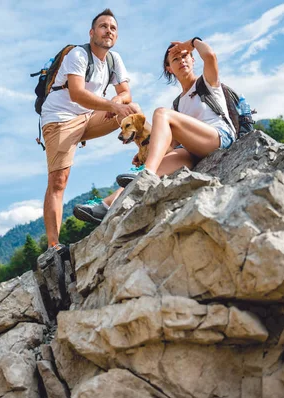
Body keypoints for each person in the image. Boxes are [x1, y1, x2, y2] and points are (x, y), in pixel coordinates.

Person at [74, 37, 235, 223]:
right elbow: (170, 144)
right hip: (192, 150)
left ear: (193, 60)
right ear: (169, 68)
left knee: (161, 114)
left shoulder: (206, 82)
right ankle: (106, 206)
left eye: (185, 56)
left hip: (219, 137)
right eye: (175, 59)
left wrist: (190, 43)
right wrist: (147, 153)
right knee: (151, 166)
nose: (182, 60)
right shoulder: (178, 104)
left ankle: (147, 173)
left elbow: (210, 55)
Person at [38, 9, 139, 264]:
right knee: (58, 181)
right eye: (103, 26)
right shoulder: (78, 54)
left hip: (89, 117)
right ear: (92, 32)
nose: (109, 31)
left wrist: (117, 101)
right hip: (60, 119)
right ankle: (53, 246)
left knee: (133, 112)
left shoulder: (114, 60)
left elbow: (126, 92)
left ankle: (144, 162)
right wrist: (112, 105)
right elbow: (77, 94)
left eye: (113, 28)